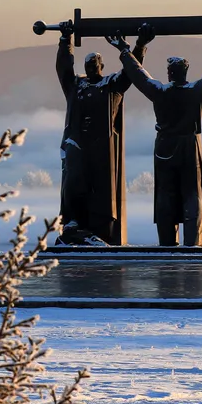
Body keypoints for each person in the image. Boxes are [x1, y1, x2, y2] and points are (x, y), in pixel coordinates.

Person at [108, 25, 202, 247]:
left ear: (169, 73)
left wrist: (125, 51)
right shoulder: (197, 91)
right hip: (189, 146)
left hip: (164, 147)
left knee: (165, 195)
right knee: (192, 195)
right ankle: (193, 241)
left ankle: (166, 241)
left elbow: (138, 75)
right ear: (186, 71)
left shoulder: (161, 92)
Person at [54, 22, 144, 245]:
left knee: (99, 190)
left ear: (102, 65)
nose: (92, 66)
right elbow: (63, 69)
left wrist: (139, 46)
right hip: (77, 144)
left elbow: (131, 73)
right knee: (74, 184)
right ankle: (73, 225)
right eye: (88, 63)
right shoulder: (76, 86)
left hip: (101, 147)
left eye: (95, 63)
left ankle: (97, 230)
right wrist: (65, 41)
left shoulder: (111, 85)